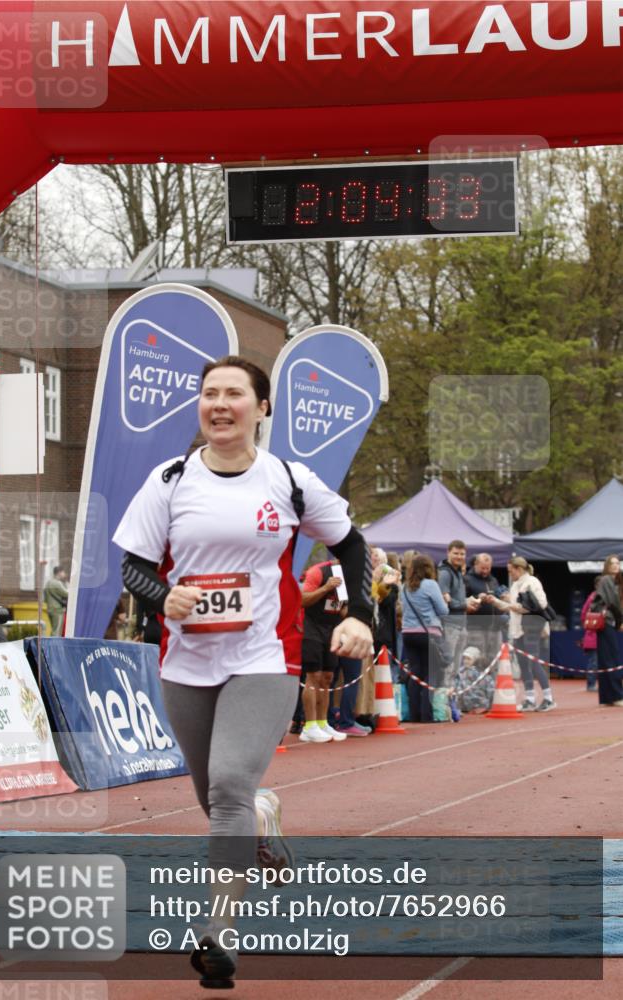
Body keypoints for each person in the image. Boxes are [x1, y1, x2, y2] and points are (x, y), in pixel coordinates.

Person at [113, 355, 373, 988]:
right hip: (187, 661)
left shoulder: (287, 479)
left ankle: (218, 936)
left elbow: (351, 543)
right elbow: (133, 568)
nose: (219, 404)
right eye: (209, 394)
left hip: (265, 656)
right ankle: (261, 817)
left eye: (234, 394)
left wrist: (364, 617)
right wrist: (162, 595)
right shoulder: (170, 480)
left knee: (227, 784)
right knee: (214, 799)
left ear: (261, 409)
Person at [496, 556, 556, 712]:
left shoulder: (532, 582)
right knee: (523, 664)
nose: (510, 575)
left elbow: (541, 603)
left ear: (519, 569)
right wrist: (500, 602)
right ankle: (529, 698)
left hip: (531, 628)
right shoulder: (516, 585)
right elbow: (514, 606)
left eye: (511, 571)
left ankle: (548, 698)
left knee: (534, 663)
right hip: (517, 629)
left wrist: (517, 606)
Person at [299, 560, 348, 742]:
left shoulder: (350, 575)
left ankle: (322, 722)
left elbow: (342, 609)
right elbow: (303, 600)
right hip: (311, 629)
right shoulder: (318, 572)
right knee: (314, 676)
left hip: (332, 630)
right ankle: (309, 726)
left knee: (328, 678)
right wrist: (326, 588)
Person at [401, 554, 449, 723]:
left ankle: (414, 714)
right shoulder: (431, 585)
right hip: (428, 632)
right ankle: (426, 714)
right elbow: (443, 611)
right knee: (431, 674)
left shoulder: (404, 587)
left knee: (415, 673)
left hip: (408, 633)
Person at [437, 540, 480, 690]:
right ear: (448, 552)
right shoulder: (444, 573)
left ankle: (450, 703)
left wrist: (469, 600)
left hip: (461, 624)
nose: (459, 556)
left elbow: (454, 598)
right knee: (448, 666)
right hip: (449, 625)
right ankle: (444, 706)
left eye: (462, 554)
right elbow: (444, 599)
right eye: (456, 553)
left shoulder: (457, 572)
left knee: (455, 667)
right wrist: (464, 604)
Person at [464, 553, 508, 670]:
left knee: (494, 660)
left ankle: (490, 687)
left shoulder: (493, 580)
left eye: (488, 568)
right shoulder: (467, 580)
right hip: (475, 627)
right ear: (475, 565)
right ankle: (476, 687)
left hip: (495, 627)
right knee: (477, 658)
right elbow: (462, 602)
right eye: (482, 568)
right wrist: (477, 597)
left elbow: (499, 598)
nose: (485, 571)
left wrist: (502, 597)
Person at [594, 554, 623, 707]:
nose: (616, 566)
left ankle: (606, 697)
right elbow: (613, 602)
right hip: (607, 623)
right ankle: (617, 696)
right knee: (612, 659)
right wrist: (620, 621)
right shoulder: (607, 580)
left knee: (606, 660)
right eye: (612, 563)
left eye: (618, 563)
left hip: (608, 623)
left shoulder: (615, 581)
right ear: (607, 566)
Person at [580, 579, 601, 692]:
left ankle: (595, 683)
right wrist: (588, 625)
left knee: (597, 661)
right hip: (592, 636)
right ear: (596, 585)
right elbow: (583, 614)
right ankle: (591, 684)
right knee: (594, 661)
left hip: (597, 636)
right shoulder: (593, 597)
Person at [44, 565, 69, 636]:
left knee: (54, 629)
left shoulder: (48, 583)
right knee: (57, 631)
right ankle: (54, 646)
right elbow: (67, 594)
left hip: (50, 609)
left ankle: (51, 645)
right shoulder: (57, 583)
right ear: (59, 573)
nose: (64, 574)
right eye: (63, 572)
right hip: (57, 610)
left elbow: (45, 599)